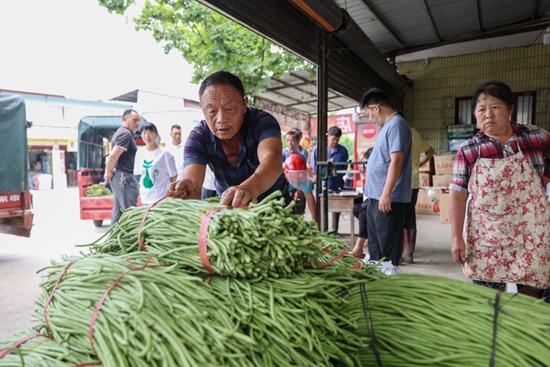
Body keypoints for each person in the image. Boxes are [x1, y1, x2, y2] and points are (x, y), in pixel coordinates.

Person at [450, 81, 550, 300]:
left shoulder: (537, 137)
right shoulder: (469, 150)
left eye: (495, 107)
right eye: (481, 109)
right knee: (489, 303)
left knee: (533, 301)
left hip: (532, 235)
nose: (488, 115)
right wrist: (457, 237)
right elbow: (457, 196)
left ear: (510, 109)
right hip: (488, 238)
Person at [166, 70, 289, 206]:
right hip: (230, 213)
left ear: (244, 105)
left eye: (229, 109)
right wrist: (185, 191)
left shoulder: (262, 122)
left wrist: (249, 188)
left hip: (276, 207)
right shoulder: (198, 138)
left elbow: (273, 159)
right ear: (202, 109)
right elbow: (193, 185)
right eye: (212, 111)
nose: (221, 119)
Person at [362, 88, 412, 266]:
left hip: (387, 197)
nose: (370, 119)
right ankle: (377, 279)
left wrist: (386, 193)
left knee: (387, 246)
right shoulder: (387, 127)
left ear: (376, 108)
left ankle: (388, 279)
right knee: (376, 245)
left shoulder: (397, 125)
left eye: (369, 114)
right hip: (376, 195)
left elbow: (397, 161)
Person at [401, 127, 435, 264]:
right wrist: (418, 165)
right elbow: (430, 151)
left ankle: (397, 252)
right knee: (410, 216)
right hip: (413, 181)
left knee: (396, 218)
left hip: (398, 183)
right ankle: (408, 254)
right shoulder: (414, 132)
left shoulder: (396, 130)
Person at [102, 109, 140, 225]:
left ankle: (112, 242)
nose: (137, 123)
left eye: (138, 120)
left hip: (120, 177)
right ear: (125, 119)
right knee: (131, 213)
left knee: (118, 214)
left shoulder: (120, 132)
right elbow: (113, 156)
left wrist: (110, 172)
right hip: (124, 177)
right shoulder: (125, 134)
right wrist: (107, 174)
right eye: (134, 120)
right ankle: (131, 241)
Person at [311, 126, 349, 234]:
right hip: (321, 184)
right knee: (318, 208)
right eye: (333, 139)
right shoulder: (318, 149)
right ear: (327, 136)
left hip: (336, 184)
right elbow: (315, 167)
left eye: (337, 139)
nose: (335, 141)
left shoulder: (343, 151)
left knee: (336, 209)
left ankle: (335, 230)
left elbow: (344, 168)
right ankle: (318, 231)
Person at [133, 122, 178, 205]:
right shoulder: (139, 153)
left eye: (150, 132)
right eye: (144, 133)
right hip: (146, 199)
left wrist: (171, 195)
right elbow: (139, 175)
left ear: (156, 135)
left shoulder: (165, 154)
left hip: (161, 199)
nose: (147, 136)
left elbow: (174, 177)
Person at [350, 147, 373, 257]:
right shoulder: (370, 171)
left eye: (368, 162)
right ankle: (367, 234)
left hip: (386, 201)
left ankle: (358, 248)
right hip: (373, 200)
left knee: (364, 214)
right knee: (356, 208)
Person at [283, 154, 318, 223]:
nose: (297, 179)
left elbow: (309, 196)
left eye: (299, 175)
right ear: (286, 173)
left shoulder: (302, 178)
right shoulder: (277, 177)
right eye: (294, 176)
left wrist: (314, 220)